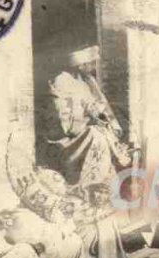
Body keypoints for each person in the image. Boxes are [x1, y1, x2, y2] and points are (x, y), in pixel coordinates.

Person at [42, 46, 133, 187]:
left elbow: (95, 107)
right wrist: (89, 120)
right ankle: (89, 184)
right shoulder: (61, 81)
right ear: (80, 65)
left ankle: (104, 184)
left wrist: (103, 120)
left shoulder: (86, 82)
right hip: (68, 135)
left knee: (103, 133)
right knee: (97, 136)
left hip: (86, 128)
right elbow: (63, 117)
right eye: (90, 63)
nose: (93, 67)